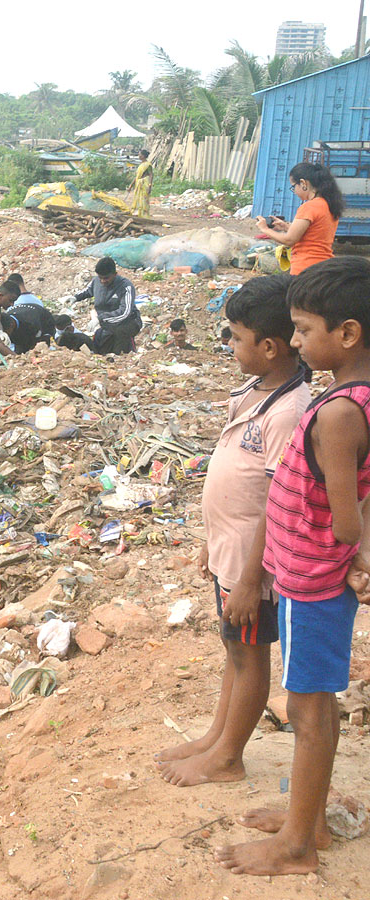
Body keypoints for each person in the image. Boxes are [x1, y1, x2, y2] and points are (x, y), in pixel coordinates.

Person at [216, 258, 370, 876]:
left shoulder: (338, 411)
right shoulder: (347, 397)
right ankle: (305, 823)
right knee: (310, 704)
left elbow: (346, 517)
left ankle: (298, 844)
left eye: (305, 330)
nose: (299, 342)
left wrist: (354, 557)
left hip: (314, 585)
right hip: (306, 577)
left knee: (308, 709)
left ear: (349, 334)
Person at [155, 276, 310, 789]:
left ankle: (229, 758)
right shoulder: (254, 391)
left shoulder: (289, 411)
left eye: (236, 337)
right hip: (230, 553)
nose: (229, 345)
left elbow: (275, 500)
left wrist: (249, 579)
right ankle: (217, 737)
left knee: (249, 656)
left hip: (253, 565)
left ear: (269, 347)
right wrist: (210, 541)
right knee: (233, 650)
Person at [256, 161, 345, 275]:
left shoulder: (309, 207)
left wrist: (265, 229)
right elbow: (314, 234)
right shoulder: (329, 205)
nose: (294, 191)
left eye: (293, 187)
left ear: (303, 183)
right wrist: (287, 227)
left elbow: (289, 240)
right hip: (324, 267)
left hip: (305, 269)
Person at [73, 257, 141, 355]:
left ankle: (128, 354)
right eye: (100, 278)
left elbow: (125, 312)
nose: (103, 281)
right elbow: (88, 291)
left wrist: (101, 319)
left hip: (127, 322)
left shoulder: (125, 286)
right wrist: (75, 298)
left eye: (106, 278)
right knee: (100, 346)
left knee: (120, 346)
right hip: (106, 322)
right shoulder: (96, 281)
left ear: (114, 274)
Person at [129, 149, 154, 218]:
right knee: (137, 199)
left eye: (139, 154)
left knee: (144, 199)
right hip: (138, 183)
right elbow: (137, 177)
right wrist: (131, 186)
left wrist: (150, 185)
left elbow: (151, 175)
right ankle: (139, 214)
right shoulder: (141, 165)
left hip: (144, 183)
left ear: (143, 156)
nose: (138, 156)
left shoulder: (148, 165)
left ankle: (145, 215)